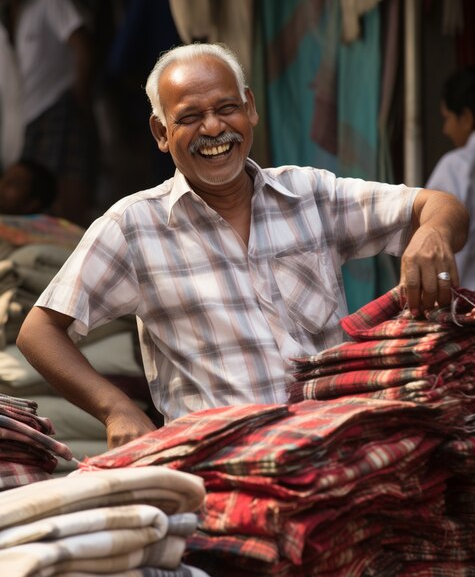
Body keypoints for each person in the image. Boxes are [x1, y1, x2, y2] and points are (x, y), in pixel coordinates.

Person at [16, 43, 469, 450]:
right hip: (221, 466)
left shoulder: (310, 195)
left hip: (333, 450)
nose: (213, 128)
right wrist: (116, 408)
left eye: (226, 108)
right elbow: (39, 332)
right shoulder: (134, 227)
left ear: (250, 108)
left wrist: (432, 233)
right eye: (190, 117)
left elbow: (439, 206)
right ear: (160, 132)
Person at [0, 0, 97, 226]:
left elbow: (83, 46)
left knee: (66, 202)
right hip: (24, 120)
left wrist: (80, 98)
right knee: (27, 201)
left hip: (59, 109)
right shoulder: (5, 15)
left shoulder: (49, 1)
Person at [426, 67, 475, 290]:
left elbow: (430, 243)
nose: (445, 129)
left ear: (466, 117)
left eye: (447, 118)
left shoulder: (457, 165)